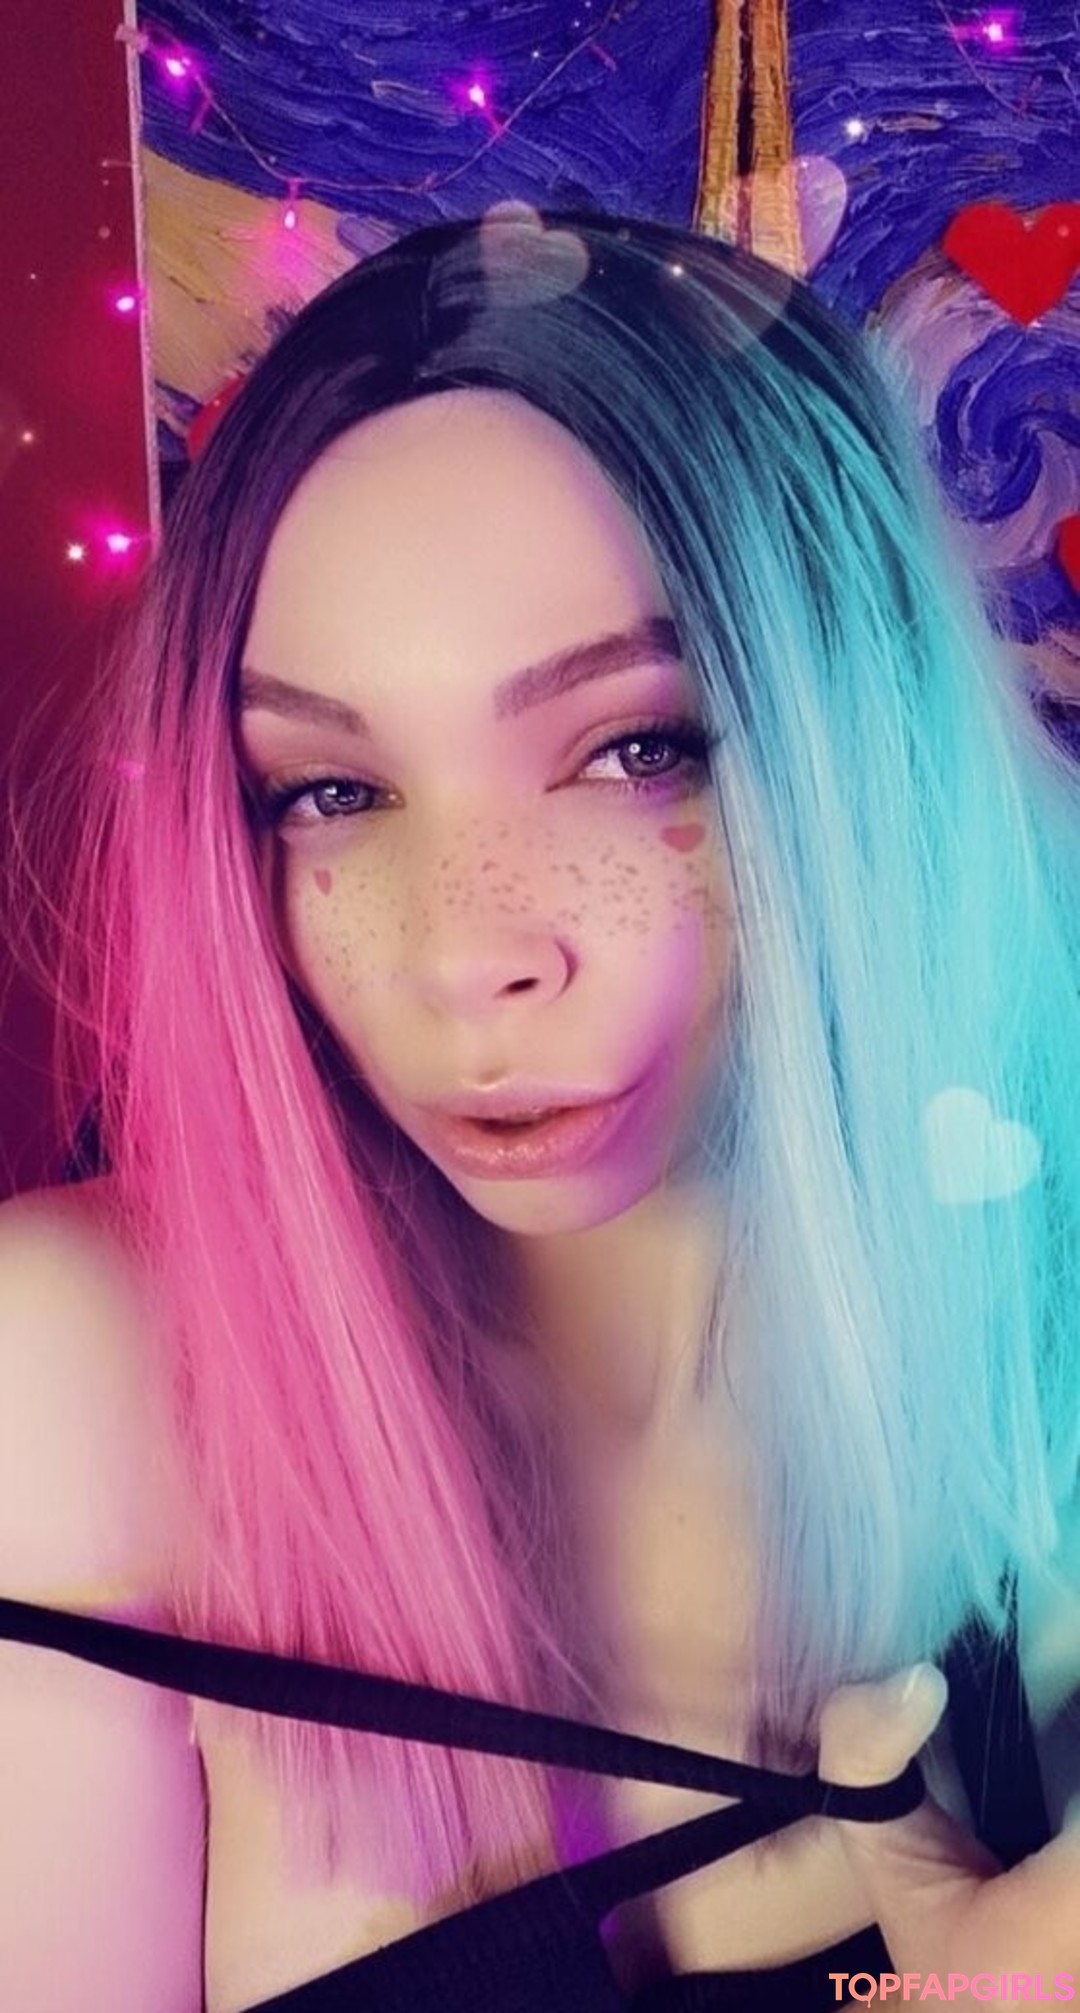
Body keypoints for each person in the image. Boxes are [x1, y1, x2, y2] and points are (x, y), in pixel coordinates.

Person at [1, 205, 1078, 2012]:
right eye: (330, 790)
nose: (464, 955)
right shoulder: (77, 1378)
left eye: (637, 747)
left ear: (860, 743)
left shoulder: (1038, 1331)